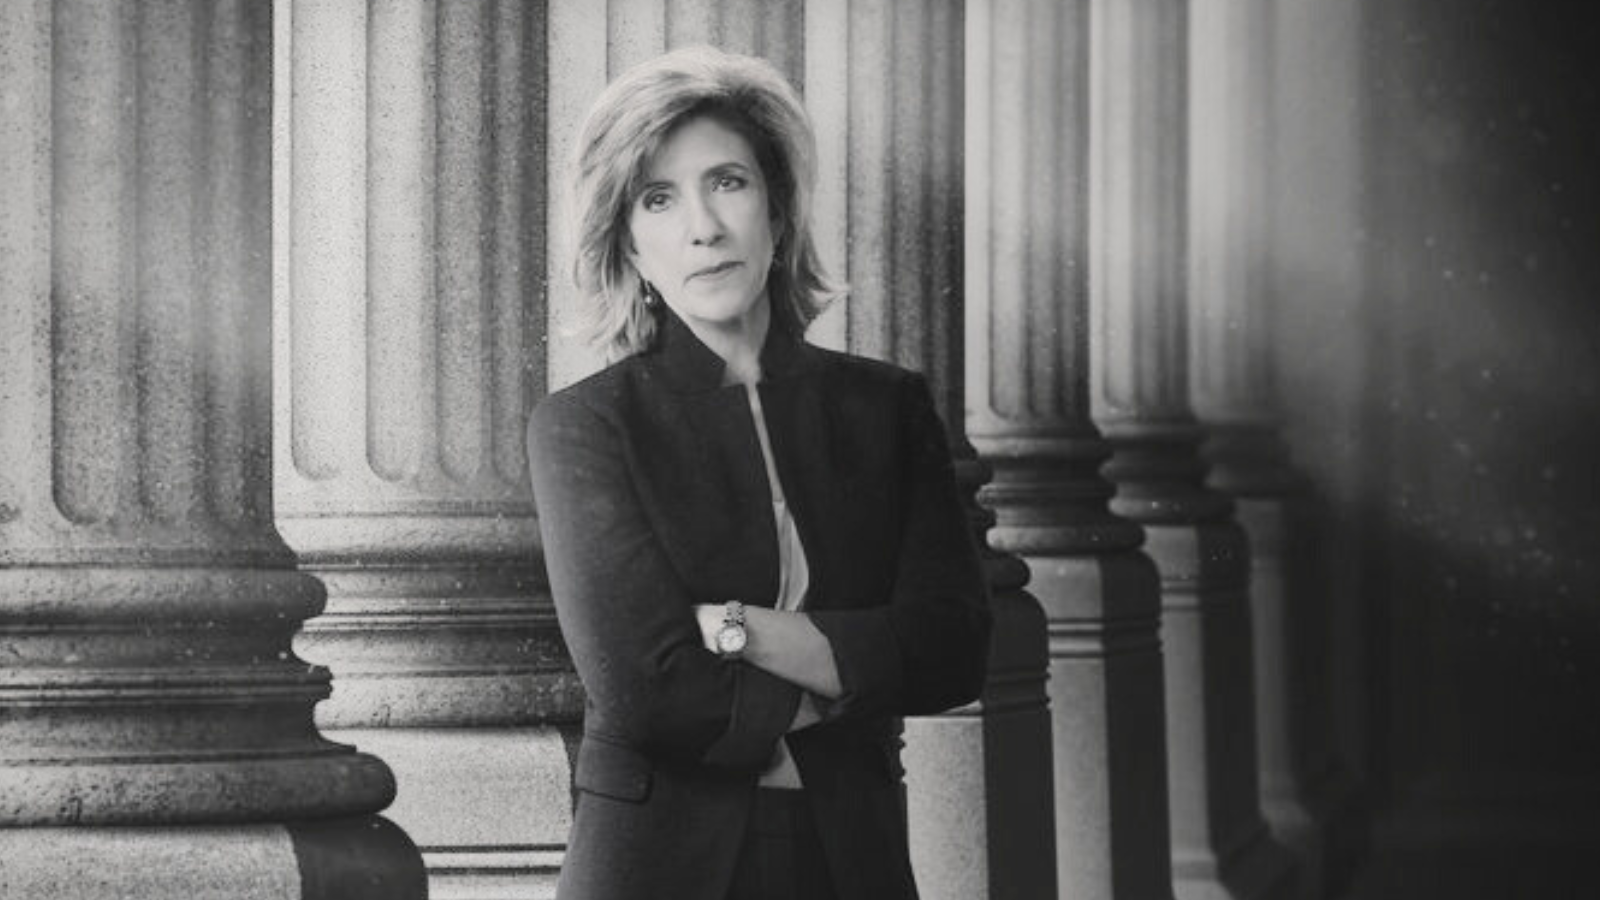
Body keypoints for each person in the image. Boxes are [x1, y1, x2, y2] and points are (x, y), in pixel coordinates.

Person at [527, 45, 991, 900]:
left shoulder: (887, 408)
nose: (702, 225)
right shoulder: (585, 426)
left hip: (851, 854)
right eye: (658, 199)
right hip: (660, 868)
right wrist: (850, 669)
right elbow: (647, 689)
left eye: (728, 182)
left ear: (776, 211)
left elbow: (954, 649)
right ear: (628, 241)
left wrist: (735, 628)